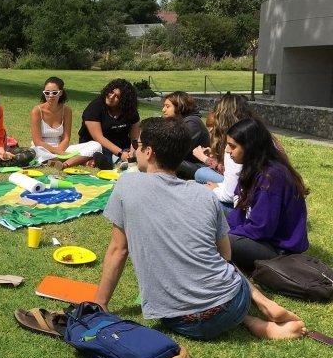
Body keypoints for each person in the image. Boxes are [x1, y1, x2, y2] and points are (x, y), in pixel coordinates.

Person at [95, 117, 306, 341]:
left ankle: (258, 322)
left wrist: (100, 303)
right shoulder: (205, 195)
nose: (134, 150)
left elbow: (118, 250)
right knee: (215, 264)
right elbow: (225, 256)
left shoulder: (126, 185)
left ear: (149, 152)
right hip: (234, 301)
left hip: (181, 319)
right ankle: (258, 316)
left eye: (137, 145)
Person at [225, 118, 309, 274]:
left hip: (279, 250)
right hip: (261, 238)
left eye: (232, 146)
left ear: (249, 147)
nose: (227, 151)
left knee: (217, 241)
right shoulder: (252, 169)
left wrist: (225, 234)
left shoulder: (272, 177)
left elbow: (261, 228)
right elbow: (240, 211)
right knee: (213, 220)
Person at [192, 93, 254, 209]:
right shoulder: (258, 133)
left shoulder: (235, 141)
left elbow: (230, 195)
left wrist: (214, 188)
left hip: (246, 206)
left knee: (201, 179)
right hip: (250, 194)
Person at [29, 77, 101, 167]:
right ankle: (81, 161)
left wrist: (61, 152)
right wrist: (58, 152)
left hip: (62, 147)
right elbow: (37, 141)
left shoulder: (66, 110)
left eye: (54, 93)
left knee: (96, 145)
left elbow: (66, 138)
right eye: (47, 93)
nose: (50, 96)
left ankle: (64, 164)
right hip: (43, 148)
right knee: (36, 152)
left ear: (61, 93)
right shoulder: (37, 110)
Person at [77, 79, 140, 169]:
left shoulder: (130, 111)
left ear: (124, 101)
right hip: (98, 144)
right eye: (110, 92)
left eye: (117, 96)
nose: (111, 97)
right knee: (102, 153)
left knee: (140, 153)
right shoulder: (95, 107)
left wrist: (132, 153)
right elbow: (98, 137)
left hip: (122, 145)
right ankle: (99, 161)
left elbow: (135, 138)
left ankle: (121, 161)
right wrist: (120, 153)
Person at [160, 91, 209, 179]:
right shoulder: (180, 122)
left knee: (165, 159)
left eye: (167, 106)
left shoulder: (192, 123)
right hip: (187, 164)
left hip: (200, 167)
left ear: (179, 107)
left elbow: (177, 150)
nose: (163, 110)